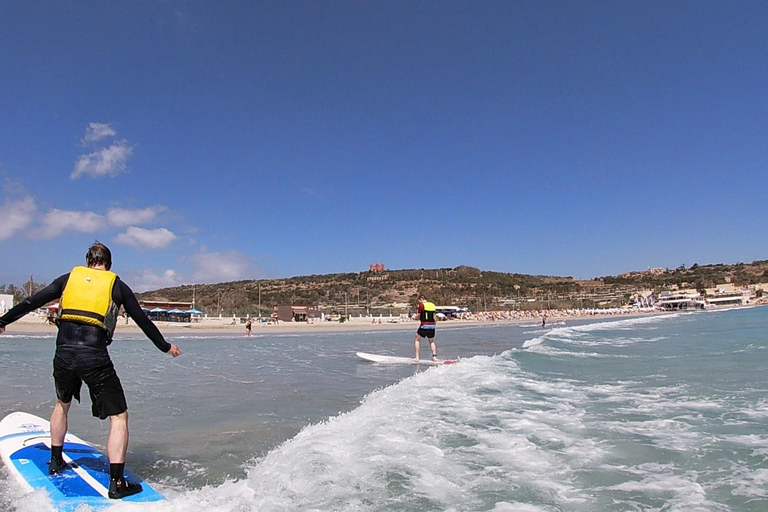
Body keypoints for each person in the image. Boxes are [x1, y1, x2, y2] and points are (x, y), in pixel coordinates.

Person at [0, 242, 182, 500]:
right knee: (118, 417)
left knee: (62, 404)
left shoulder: (68, 279)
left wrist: (2, 321)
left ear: (88, 261)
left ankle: (55, 461)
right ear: (109, 264)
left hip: (63, 354)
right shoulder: (116, 285)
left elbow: (32, 302)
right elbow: (142, 320)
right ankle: (117, 483)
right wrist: (165, 347)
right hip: (94, 356)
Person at [413, 295, 437, 362]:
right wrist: (434, 325)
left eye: (419, 301)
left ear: (421, 299)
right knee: (431, 341)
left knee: (417, 340)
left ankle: (417, 357)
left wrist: (414, 317)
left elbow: (418, 316)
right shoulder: (432, 305)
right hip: (432, 326)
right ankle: (434, 357)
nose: (419, 302)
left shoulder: (421, 305)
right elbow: (435, 317)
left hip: (424, 325)